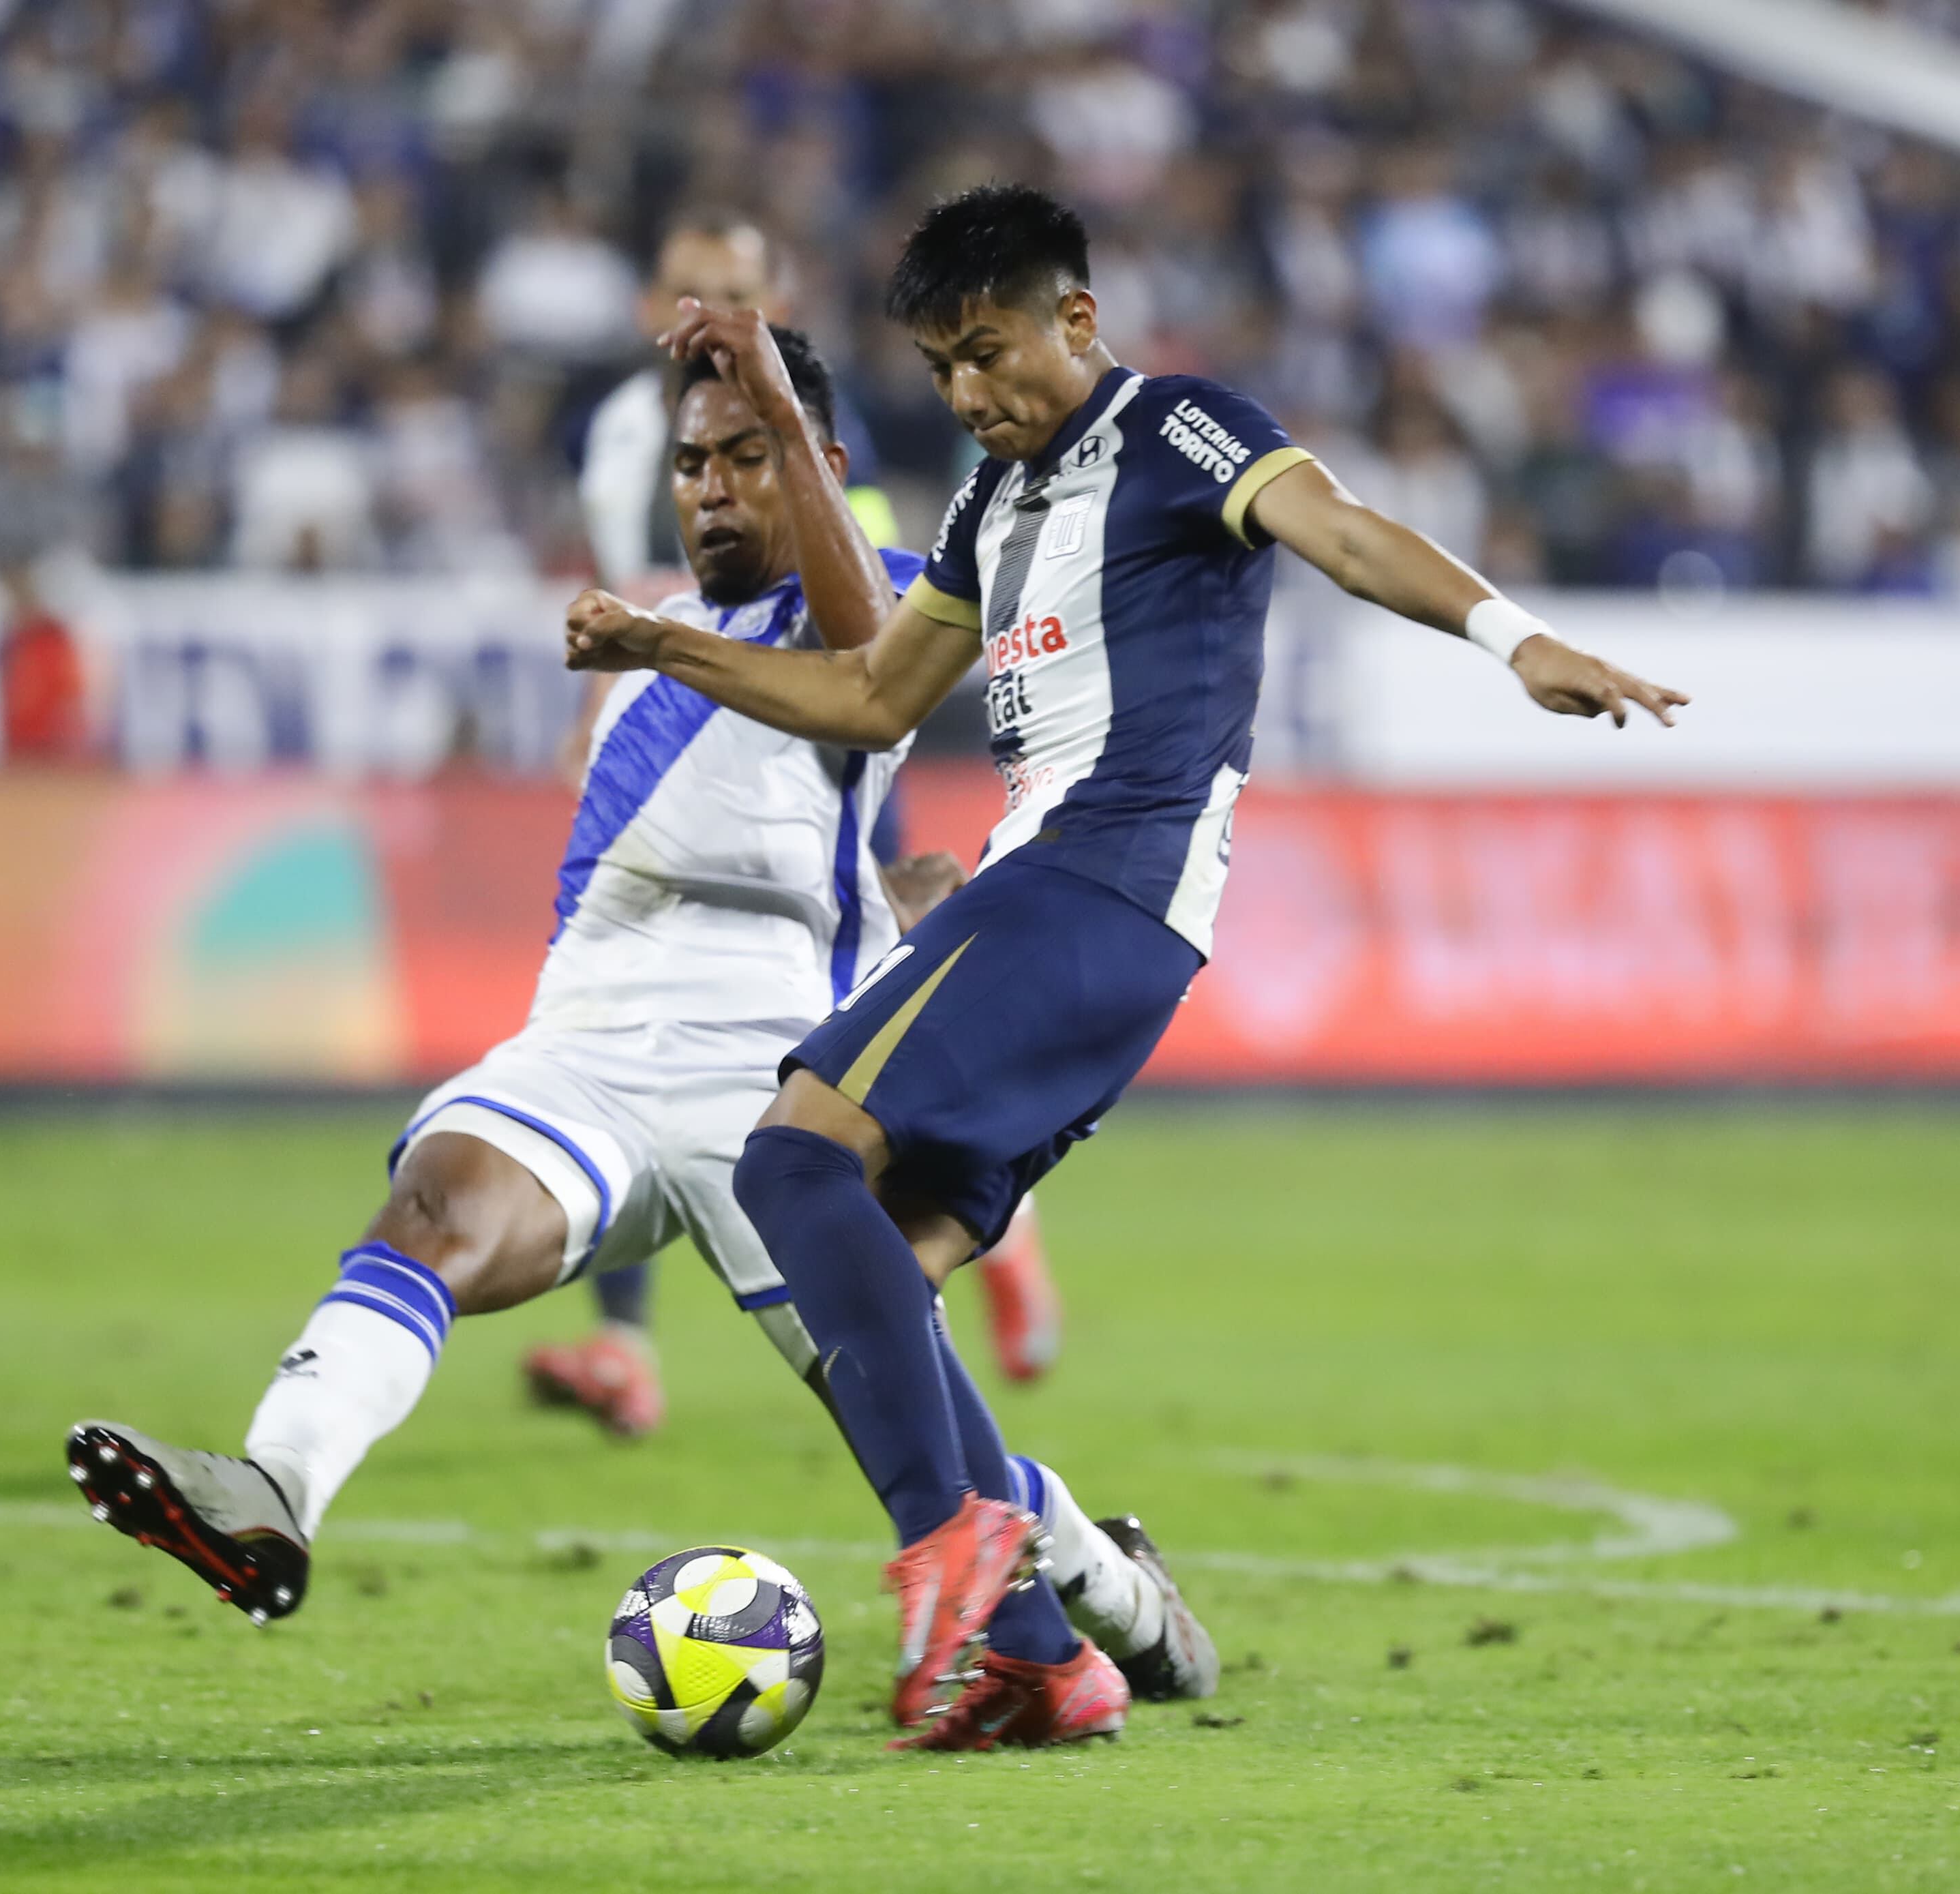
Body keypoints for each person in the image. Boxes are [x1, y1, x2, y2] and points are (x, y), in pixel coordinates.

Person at [564, 184, 1689, 1751]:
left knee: (787, 1160)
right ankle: (1048, 1645)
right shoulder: (985, 510)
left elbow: (1348, 535)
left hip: (1104, 878)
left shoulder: (1176, 430)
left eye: (989, 352)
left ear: (1073, 323)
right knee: (870, 1276)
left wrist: (1515, 640)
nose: (969, 393)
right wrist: (663, 644)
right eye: (943, 368)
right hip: (1068, 907)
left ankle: (956, 1549)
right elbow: (877, 696)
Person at [69, 325, 1215, 1713]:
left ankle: (1111, 1604)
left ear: (817, 469)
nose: (714, 488)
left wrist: (777, 436)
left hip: (780, 1086)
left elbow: (865, 680)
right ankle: (272, 1490)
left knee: (909, 1427)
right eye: (693, 463)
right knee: (429, 1212)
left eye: (748, 456)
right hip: (589, 1048)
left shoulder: (891, 603)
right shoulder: (635, 655)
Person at [532, 207, 1057, 1439]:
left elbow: (864, 615)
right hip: (689, 718)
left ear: (776, 299)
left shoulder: (826, 429)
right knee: (624, 1011)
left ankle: (997, 1216)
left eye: (735, 291)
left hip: (823, 726)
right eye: (688, 287)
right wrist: (616, 697)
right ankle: (626, 1345)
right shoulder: (624, 431)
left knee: (879, 1020)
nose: (706, 311)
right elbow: (640, 564)